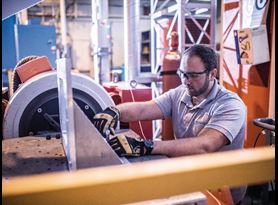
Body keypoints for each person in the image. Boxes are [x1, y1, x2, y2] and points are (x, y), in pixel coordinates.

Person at [92, 44, 247, 204]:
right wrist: (114, 112)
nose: (186, 81)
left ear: (212, 74)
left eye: (193, 75)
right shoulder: (181, 93)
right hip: (190, 178)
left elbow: (205, 146)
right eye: (183, 74)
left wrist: (147, 146)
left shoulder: (230, 105)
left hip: (221, 192)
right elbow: (145, 109)